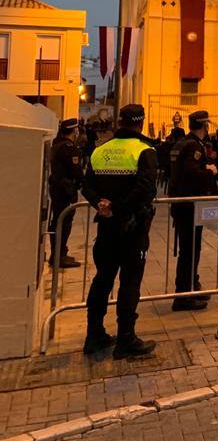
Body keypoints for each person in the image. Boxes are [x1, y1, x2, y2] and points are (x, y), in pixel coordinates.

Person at [81, 104, 157, 358]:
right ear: (141, 123)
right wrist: (120, 208)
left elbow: (86, 186)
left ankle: (94, 334)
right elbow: (146, 190)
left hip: (106, 227)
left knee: (102, 279)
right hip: (132, 228)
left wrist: (102, 206)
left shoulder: (100, 150)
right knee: (129, 283)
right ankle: (126, 338)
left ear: (119, 122)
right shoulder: (144, 150)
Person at [169, 110, 217, 311]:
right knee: (189, 250)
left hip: (183, 204)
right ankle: (183, 295)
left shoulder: (181, 142)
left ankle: (191, 286)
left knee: (191, 248)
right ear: (204, 126)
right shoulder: (193, 146)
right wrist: (210, 170)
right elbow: (192, 173)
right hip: (189, 205)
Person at [48, 118, 84, 268]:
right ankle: (59, 255)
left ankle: (57, 253)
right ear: (74, 131)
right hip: (66, 190)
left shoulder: (56, 145)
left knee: (57, 220)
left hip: (57, 188)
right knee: (64, 221)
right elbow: (75, 171)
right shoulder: (69, 148)